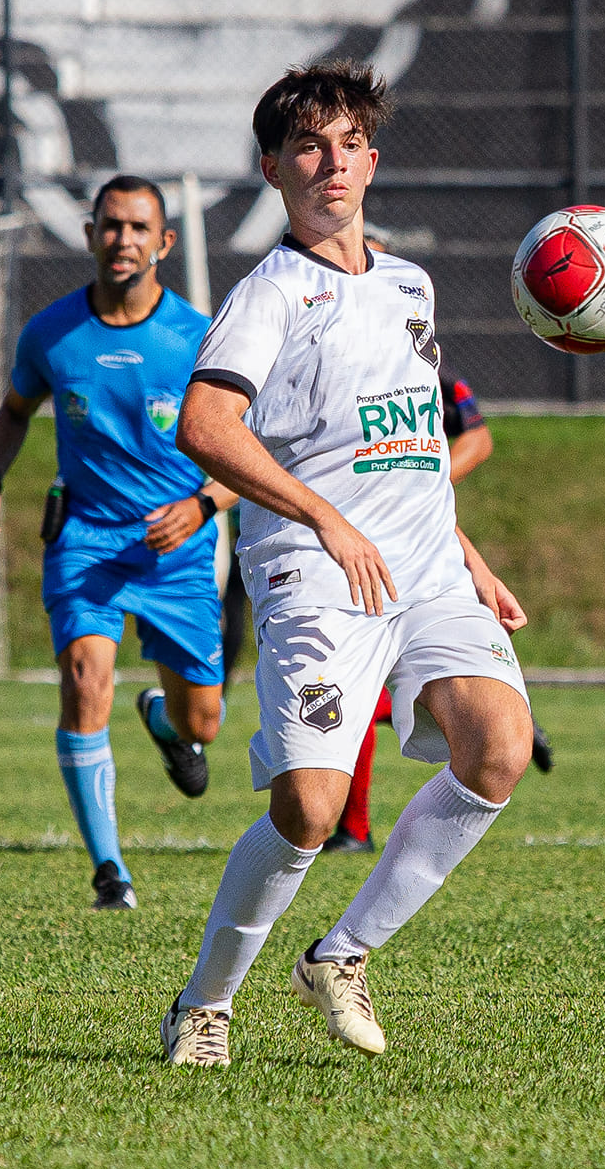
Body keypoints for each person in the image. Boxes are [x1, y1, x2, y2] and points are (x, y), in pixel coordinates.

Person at [158, 62, 533, 1067]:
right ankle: (204, 1003)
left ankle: (342, 953)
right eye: (308, 147)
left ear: (371, 158)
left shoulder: (410, 284)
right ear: (273, 168)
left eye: (346, 142)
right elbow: (206, 423)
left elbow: (404, 445)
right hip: (316, 573)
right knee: (309, 810)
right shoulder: (268, 294)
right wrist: (321, 518)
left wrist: (467, 553)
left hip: (425, 570)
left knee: (497, 745)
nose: (331, 162)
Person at [0, 175, 234, 911]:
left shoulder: (197, 336)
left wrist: (203, 504)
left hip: (177, 545)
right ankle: (110, 871)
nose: (123, 240)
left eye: (138, 228)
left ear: (165, 243)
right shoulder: (51, 332)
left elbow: (252, 446)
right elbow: (15, 409)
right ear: (89, 234)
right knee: (85, 681)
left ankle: (163, 717)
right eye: (111, 226)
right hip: (85, 538)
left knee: (202, 720)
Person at [322, 369, 554, 855]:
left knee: (348, 694)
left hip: (392, 548)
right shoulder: (315, 350)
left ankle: (357, 829)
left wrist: (418, 481)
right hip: (306, 542)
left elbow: (480, 437)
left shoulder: (418, 355)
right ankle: (488, 712)